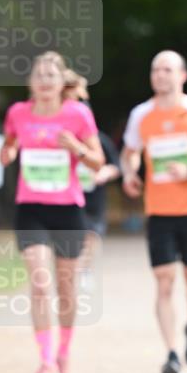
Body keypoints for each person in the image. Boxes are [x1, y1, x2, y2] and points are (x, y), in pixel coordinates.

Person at [0, 51, 104, 373]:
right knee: (41, 284)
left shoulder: (78, 115)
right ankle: (45, 363)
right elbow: (10, 145)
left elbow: (97, 164)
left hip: (67, 211)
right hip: (30, 209)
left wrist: (76, 147)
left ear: (62, 82)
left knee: (66, 288)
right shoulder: (17, 113)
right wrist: (8, 153)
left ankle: (63, 353)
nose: (44, 80)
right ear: (31, 81)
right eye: (38, 74)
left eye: (51, 75)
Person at [121, 50, 187, 373]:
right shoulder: (140, 115)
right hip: (158, 210)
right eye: (155, 69)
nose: (160, 75)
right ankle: (172, 353)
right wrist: (129, 172)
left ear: (182, 75)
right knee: (163, 281)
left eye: (167, 69)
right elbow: (129, 152)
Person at [62, 71, 121, 276]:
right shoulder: (59, 137)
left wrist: (103, 173)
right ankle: (73, 269)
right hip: (67, 195)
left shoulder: (100, 140)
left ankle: (83, 270)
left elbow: (116, 166)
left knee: (90, 236)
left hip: (93, 197)